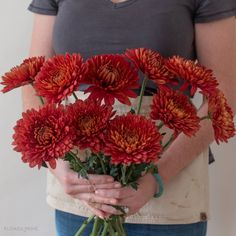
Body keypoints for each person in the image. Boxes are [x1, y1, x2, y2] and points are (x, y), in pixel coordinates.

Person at [24, 0, 236, 235]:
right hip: (80, 192)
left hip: (170, 189)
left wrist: (157, 177)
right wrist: (57, 164)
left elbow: (224, 94)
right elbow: (33, 78)